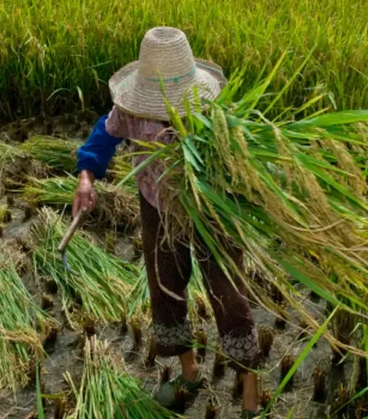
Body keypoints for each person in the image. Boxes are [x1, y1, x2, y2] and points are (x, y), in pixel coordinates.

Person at [73, 27, 260, 418]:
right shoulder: (130, 111)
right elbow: (103, 136)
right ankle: (189, 371)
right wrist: (86, 177)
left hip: (210, 208)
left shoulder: (210, 112)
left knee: (228, 291)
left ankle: (250, 391)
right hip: (157, 206)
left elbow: (241, 159)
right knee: (165, 284)